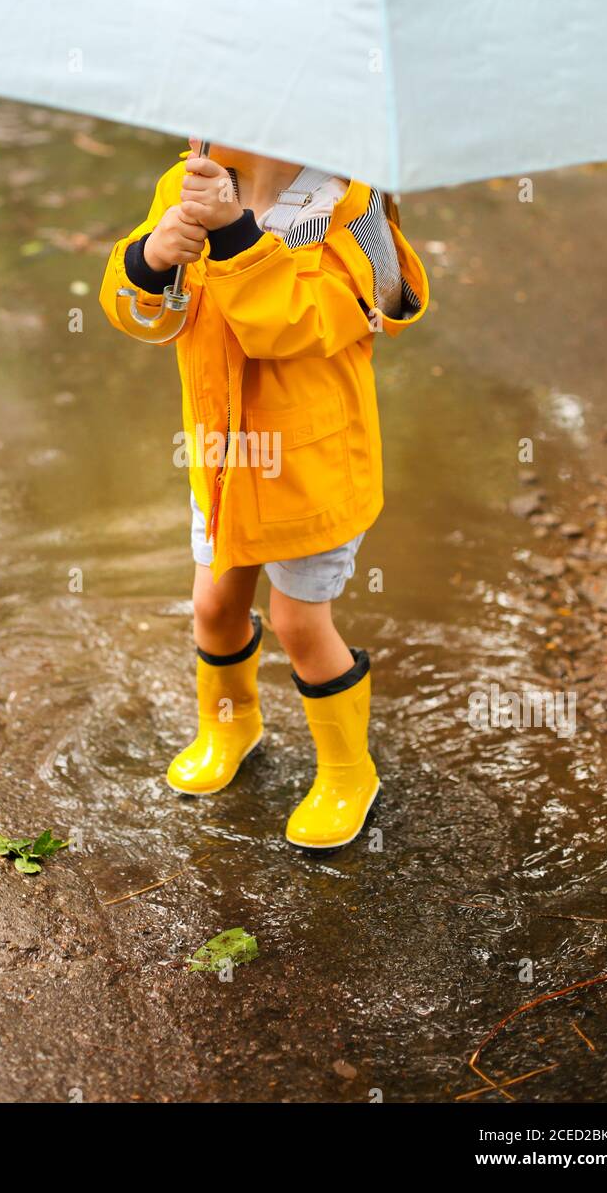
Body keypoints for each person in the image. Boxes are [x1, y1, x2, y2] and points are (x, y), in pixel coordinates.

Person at [100, 140, 429, 848]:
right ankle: (232, 726)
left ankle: (348, 771)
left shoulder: (352, 205)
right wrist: (151, 259)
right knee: (214, 604)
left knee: (299, 625)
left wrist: (232, 236)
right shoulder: (188, 181)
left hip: (314, 466)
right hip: (222, 457)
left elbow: (299, 326)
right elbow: (145, 316)